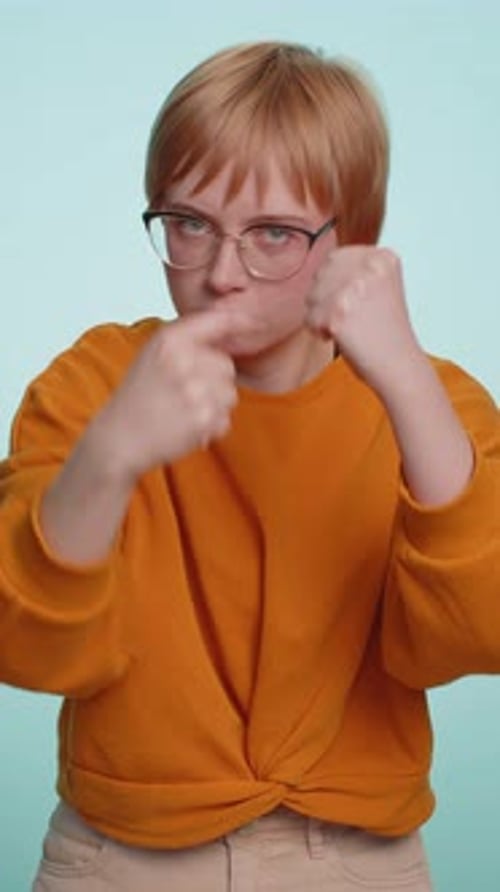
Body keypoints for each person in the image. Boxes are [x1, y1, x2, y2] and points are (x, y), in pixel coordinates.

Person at [1, 40, 499, 892]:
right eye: (188, 224)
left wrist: (409, 383)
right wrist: (112, 456)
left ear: (356, 245)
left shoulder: (437, 402)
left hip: (360, 859)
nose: (220, 275)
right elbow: (27, 653)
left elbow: (474, 635)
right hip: (118, 859)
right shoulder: (90, 383)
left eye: (273, 233)